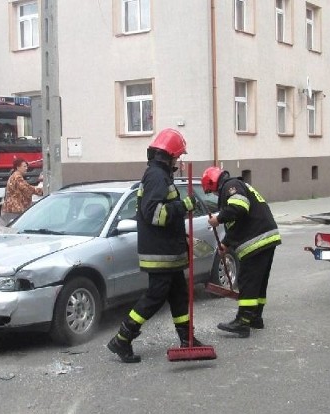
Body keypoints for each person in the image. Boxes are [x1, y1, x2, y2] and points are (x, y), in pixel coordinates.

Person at [107, 128, 206, 363]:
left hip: (169, 251)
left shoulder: (159, 175)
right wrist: (184, 206)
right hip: (160, 253)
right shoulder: (157, 177)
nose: (178, 161)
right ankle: (122, 338)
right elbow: (154, 214)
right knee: (154, 297)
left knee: (179, 296)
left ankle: (187, 339)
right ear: (168, 155)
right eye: (177, 156)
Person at [202, 167, 281, 338]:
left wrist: (218, 218)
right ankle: (255, 317)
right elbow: (237, 223)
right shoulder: (238, 184)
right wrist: (225, 243)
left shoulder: (231, 185)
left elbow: (239, 208)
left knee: (248, 281)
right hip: (266, 236)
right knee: (259, 282)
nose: (215, 195)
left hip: (256, 239)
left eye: (212, 191)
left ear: (213, 183)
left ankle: (242, 322)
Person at [0, 158, 43, 226]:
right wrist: (41, 191)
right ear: (18, 167)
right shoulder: (17, 177)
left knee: (5, 230)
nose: (26, 168)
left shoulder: (14, 175)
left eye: (26, 166)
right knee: (13, 229)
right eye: (24, 166)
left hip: (10, 208)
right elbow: (27, 188)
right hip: (14, 209)